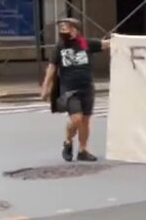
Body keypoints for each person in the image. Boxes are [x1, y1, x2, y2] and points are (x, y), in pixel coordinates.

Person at [41, 18, 111, 162]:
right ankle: (68, 141)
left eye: (66, 27)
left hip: (87, 87)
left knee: (85, 120)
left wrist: (119, 40)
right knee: (77, 119)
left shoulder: (83, 43)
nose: (63, 29)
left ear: (75, 29)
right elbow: (52, 67)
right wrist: (46, 86)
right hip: (69, 89)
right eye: (61, 27)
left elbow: (104, 45)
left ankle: (83, 150)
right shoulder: (60, 46)